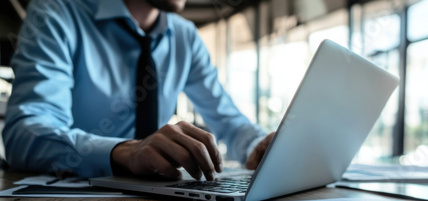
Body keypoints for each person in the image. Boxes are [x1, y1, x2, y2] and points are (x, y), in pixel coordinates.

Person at [2, 0, 274, 181]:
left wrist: (258, 146)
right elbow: (24, 134)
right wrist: (124, 152)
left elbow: (229, 121)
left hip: (158, 200)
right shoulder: (57, 13)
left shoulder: (185, 36)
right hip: (72, 198)